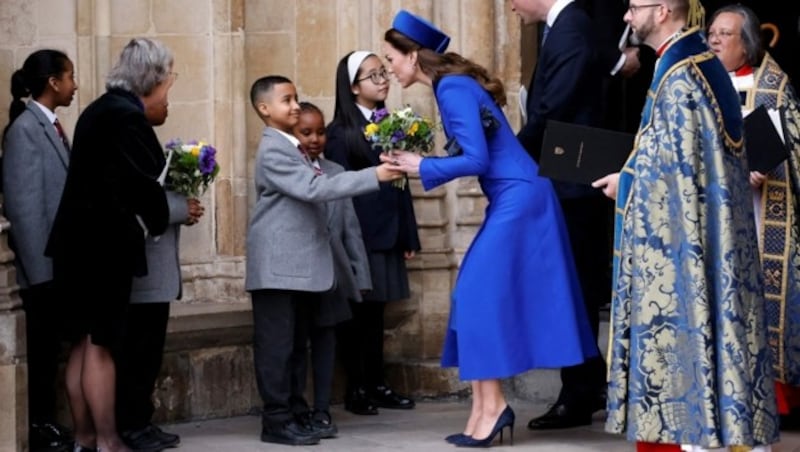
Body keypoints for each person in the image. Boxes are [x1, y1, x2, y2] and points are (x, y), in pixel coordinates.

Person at [382, 9, 598, 448]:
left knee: (475, 294)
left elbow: (477, 160)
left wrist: (422, 165)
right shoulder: (452, 86)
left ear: (411, 56)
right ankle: (485, 408)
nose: (389, 68)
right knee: (472, 295)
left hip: (522, 199)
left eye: (390, 59)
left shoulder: (452, 87)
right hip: (514, 196)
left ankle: (493, 407)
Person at [591, 1, 779, 450]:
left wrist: (627, 182)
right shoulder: (700, 62)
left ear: (661, 11)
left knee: (693, 374)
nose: (626, 17)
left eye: (634, 7)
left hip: (689, 249)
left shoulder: (679, 75)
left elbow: (676, 173)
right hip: (720, 237)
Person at [245, 75, 401, 446]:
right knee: (277, 348)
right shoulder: (273, 148)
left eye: (296, 97)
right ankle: (276, 420)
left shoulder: (292, 148)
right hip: (278, 268)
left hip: (298, 270)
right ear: (264, 109)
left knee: (296, 345)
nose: (295, 105)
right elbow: (314, 189)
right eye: (286, 100)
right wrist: (373, 175)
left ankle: (296, 413)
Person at [45, 38, 175, 452]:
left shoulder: (100, 109)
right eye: (167, 81)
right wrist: (163, 214)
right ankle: (107, 440)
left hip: (74, 245)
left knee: (82, 345)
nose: (168, 89)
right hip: (103, 249)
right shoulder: (127, 117)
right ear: (151, 79)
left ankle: (84, 436)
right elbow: (146, 182)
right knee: (101, 346)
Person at [510, 0, 611, 430]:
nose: (511, 5)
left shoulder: (570, 28)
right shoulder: (572, 26)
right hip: (570, 181)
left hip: (574, 183)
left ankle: (582, 391)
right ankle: (587, 383)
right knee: (574, 290)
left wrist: (510, 151)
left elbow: (554, 109)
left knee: (576, 291)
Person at [708, 4, 800, 428]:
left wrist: (768, 171)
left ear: (746, 44)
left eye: (725, 34)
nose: (714, 40)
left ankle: (777, 399)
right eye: (711, 32)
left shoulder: (773, 89)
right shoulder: (697, 85)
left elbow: (793, 148)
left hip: (763, 218)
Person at [325, 50, 420, 415]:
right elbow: (341, 189)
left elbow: (402, 184)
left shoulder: (390, 124)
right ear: (352, 88)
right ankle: (357, 388)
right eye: (373, 75)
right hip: (361, 236)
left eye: (384, 72)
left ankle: (377, 383)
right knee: (358, 316)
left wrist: (409, 234)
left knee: (377, 315)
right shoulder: (340, 134)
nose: (383, 80)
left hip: (389, 233)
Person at [113, 73, 204, 450]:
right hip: (142, 266)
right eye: (163, 97)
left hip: (156, 265)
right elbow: (138, 198)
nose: (167, 105)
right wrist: (184, 207)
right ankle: (131, 424)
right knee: (137, 353)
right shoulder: (130, 137)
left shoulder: (140, 137)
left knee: (149, 353)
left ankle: (141, 421)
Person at [1, 49, 77, 452]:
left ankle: (47, 422)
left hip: (56, 266)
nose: (74, 85)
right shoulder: (25, 130)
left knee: (51, 352)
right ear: (52, 82)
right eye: (69, 77)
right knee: (43, 355)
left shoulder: (49, 125)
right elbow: (25, 206)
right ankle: (39, 425)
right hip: (41, 270)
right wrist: (41, 273)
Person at [288, 101, 372, 439]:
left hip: (332, 275)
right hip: (297, 275)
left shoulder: (336, 172)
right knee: (295, 345)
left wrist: (360, 275)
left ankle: (322, 408)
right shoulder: (289, 171)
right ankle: (297, 409)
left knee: (325, 342)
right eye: (305, 132)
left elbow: (350, 229)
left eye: (320, 131)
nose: (314, 139)